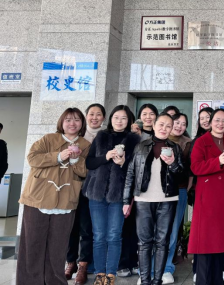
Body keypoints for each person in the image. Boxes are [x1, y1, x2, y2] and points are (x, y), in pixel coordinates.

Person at [17, 108, 91, 285]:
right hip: (38, 197)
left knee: (58, 246)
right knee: (32, 243)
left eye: (77, 120)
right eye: (68, 120)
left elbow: (86, 172)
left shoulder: (85, 145)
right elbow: (32, 158)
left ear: (82, 123)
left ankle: (55, 281)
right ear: (61, 122)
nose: (72, 123)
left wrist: (76, 160)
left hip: (66, 199)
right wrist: (58, 156)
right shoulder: (48, 139)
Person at [123, 113, 184, 285]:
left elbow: (182, 174)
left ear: (171, 129)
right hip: (143, 199)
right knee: (144, 242)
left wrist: (172, 163)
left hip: (168, 199)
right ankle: (145, 280)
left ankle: (157, 281)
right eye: (161, 124)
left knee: (162, 242)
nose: (164, 128)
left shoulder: (175, 148)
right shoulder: (141, 146)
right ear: (154, 125)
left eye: (168, 126)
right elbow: (131, 173)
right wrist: (126, 201)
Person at [84, 106, 140, 285]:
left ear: (129, 121)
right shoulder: (101, 136)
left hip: (119, 195)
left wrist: (123, 163)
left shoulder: (134, 140)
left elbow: (137, 169)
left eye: (124, 118)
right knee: (99, 235)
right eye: (116, 117)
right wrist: (105, 157)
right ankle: (99, 274)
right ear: (111, 119)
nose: (119, 121)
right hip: (97, 193)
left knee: (114, 235)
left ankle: (111, 274)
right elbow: (89, 163)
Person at [188, 109, 224, 285]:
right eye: (217, 120)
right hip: (207, 197)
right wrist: (218, 161)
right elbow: (195, 167)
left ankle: (218, 279)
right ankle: (203, 281)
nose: (221, 124)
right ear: (211, 122)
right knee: (206, 241)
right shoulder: (201, 141)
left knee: (221, 240)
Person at [66, 104, 106, 285]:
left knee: (86, 228)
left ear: (104, 118)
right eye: (91, 114)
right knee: (70, 227)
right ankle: (70, 262)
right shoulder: (77, 136)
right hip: (72, 187)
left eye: (98, 114)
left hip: (93, 189)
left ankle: (83, 264)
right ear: (86, 116)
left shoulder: (105, 136)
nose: (94, 117)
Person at [159, 113, 192, 284]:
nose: (179, 126)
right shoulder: (151, 143)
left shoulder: (185, 145)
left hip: (178, 190)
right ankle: (149, 269)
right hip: (156, 192)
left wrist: (187, 187)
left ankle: (166, 268)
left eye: (183, 124)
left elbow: (188, 170)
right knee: (153, 232)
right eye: (176, 122)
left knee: (171, 232)